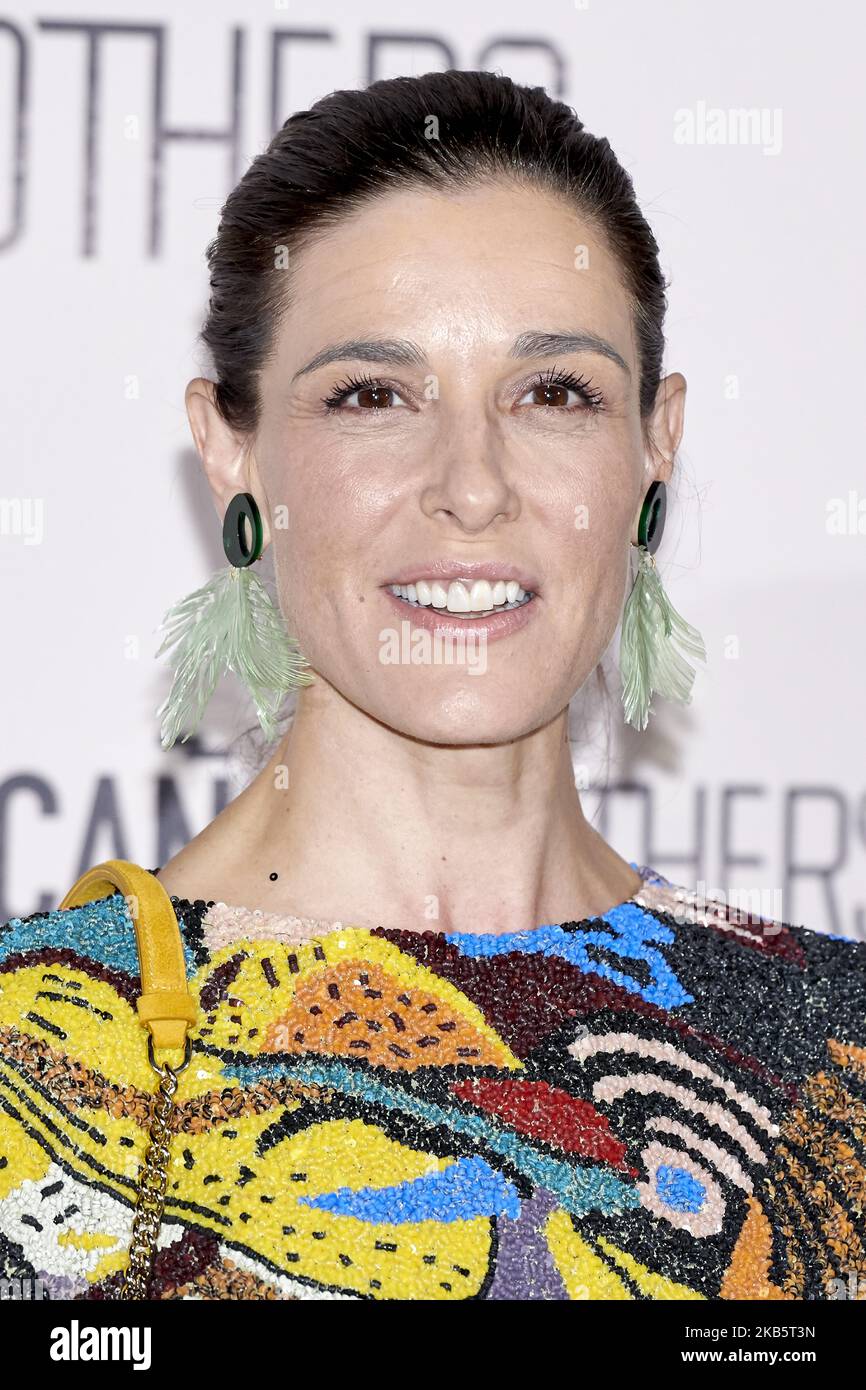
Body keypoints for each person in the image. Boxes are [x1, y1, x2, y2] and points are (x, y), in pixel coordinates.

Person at [1, 70, 863, 1302]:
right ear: (231, 449)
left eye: (552, 393)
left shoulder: (837, 1049)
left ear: (652, 442)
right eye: (373, 395)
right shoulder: (28, 1054)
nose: (471, 486)